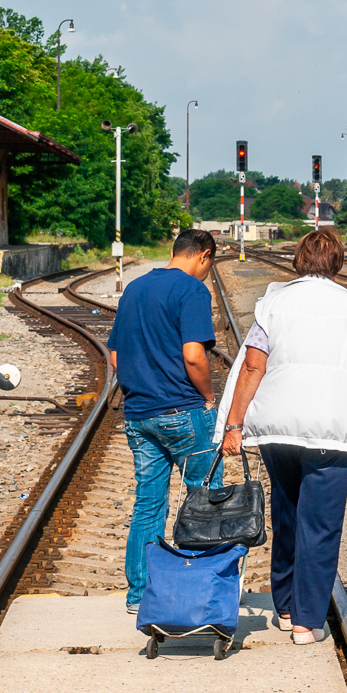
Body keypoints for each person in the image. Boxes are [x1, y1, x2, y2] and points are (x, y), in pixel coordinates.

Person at [217, 229, 347, 645]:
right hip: (336, 427)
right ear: (338, 262)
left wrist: (235, 424)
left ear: (299, 260)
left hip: (280, 424)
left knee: (289, 513)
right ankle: (306, 622)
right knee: (322, 523)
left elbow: (253, 367)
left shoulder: (273, 304)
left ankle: (285, 606)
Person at [105, 228, 223, 616]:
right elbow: (194, 356)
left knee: (148, 504)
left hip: (140, 416)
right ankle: (201, 588)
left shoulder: (136, 288)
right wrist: (207, 397)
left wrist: (144, 387)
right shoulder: (191, 290)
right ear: (203, 256)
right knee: (205, 501)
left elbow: (116, 357)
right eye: (209, 264)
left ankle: (140, 594)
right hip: (183, 412)